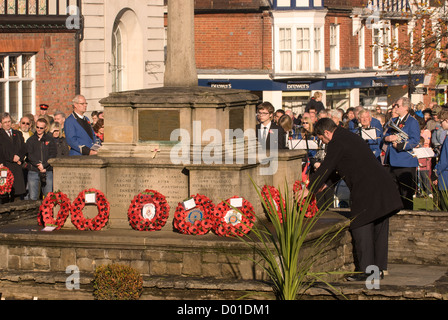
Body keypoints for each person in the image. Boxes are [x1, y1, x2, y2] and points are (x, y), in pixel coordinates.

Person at [298, 118, 403, 280]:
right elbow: (342, 164)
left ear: (326, 132)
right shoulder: (347, 136)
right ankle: (379, 269)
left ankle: (368, 272)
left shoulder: (336, 142)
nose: (323, 142)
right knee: (379, 224)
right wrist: (326, 184)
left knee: (360, 225)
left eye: (321, 139)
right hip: (382, 185)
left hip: (367, 189)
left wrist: (309, 188)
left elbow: (327, 166)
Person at [383, 97, 420, 210]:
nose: (395, 107)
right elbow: (385, 136)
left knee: (406, 194)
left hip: (405, 162)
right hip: (392, 162)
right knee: (393, 192)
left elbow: (415, 140)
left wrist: (400, 145)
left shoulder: (412, 121)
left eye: (397, 105)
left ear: (405, 107)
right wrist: (388, 138)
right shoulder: (394, 121)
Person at [25, 118, 57, 200]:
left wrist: (44, 165)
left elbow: (53, 154)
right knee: (33, 197)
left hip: (47, 170)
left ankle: (47, 213)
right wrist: (38, 165)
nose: (39, 129)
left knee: (48, 197)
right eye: (37, 127)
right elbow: (30, 155)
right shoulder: (30, 140)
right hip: (33, 171)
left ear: (45, 128)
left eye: (41, 128)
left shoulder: (50, 140)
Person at [0, 113, 27, 203]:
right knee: (5, 193)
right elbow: (1, 151)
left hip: (17, 167)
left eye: (9, 121)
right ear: (1, 124)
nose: (7, 124)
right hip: (5, 167)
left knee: (18, 195)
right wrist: (12, 157)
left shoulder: (18, 134)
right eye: (5, 122)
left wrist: (19, 157)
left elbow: (24, 147)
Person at [434, 110, 448, 210]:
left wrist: (435, 172)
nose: (440, 124)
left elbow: (444, 161)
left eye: (441, 121)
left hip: (445, 178)